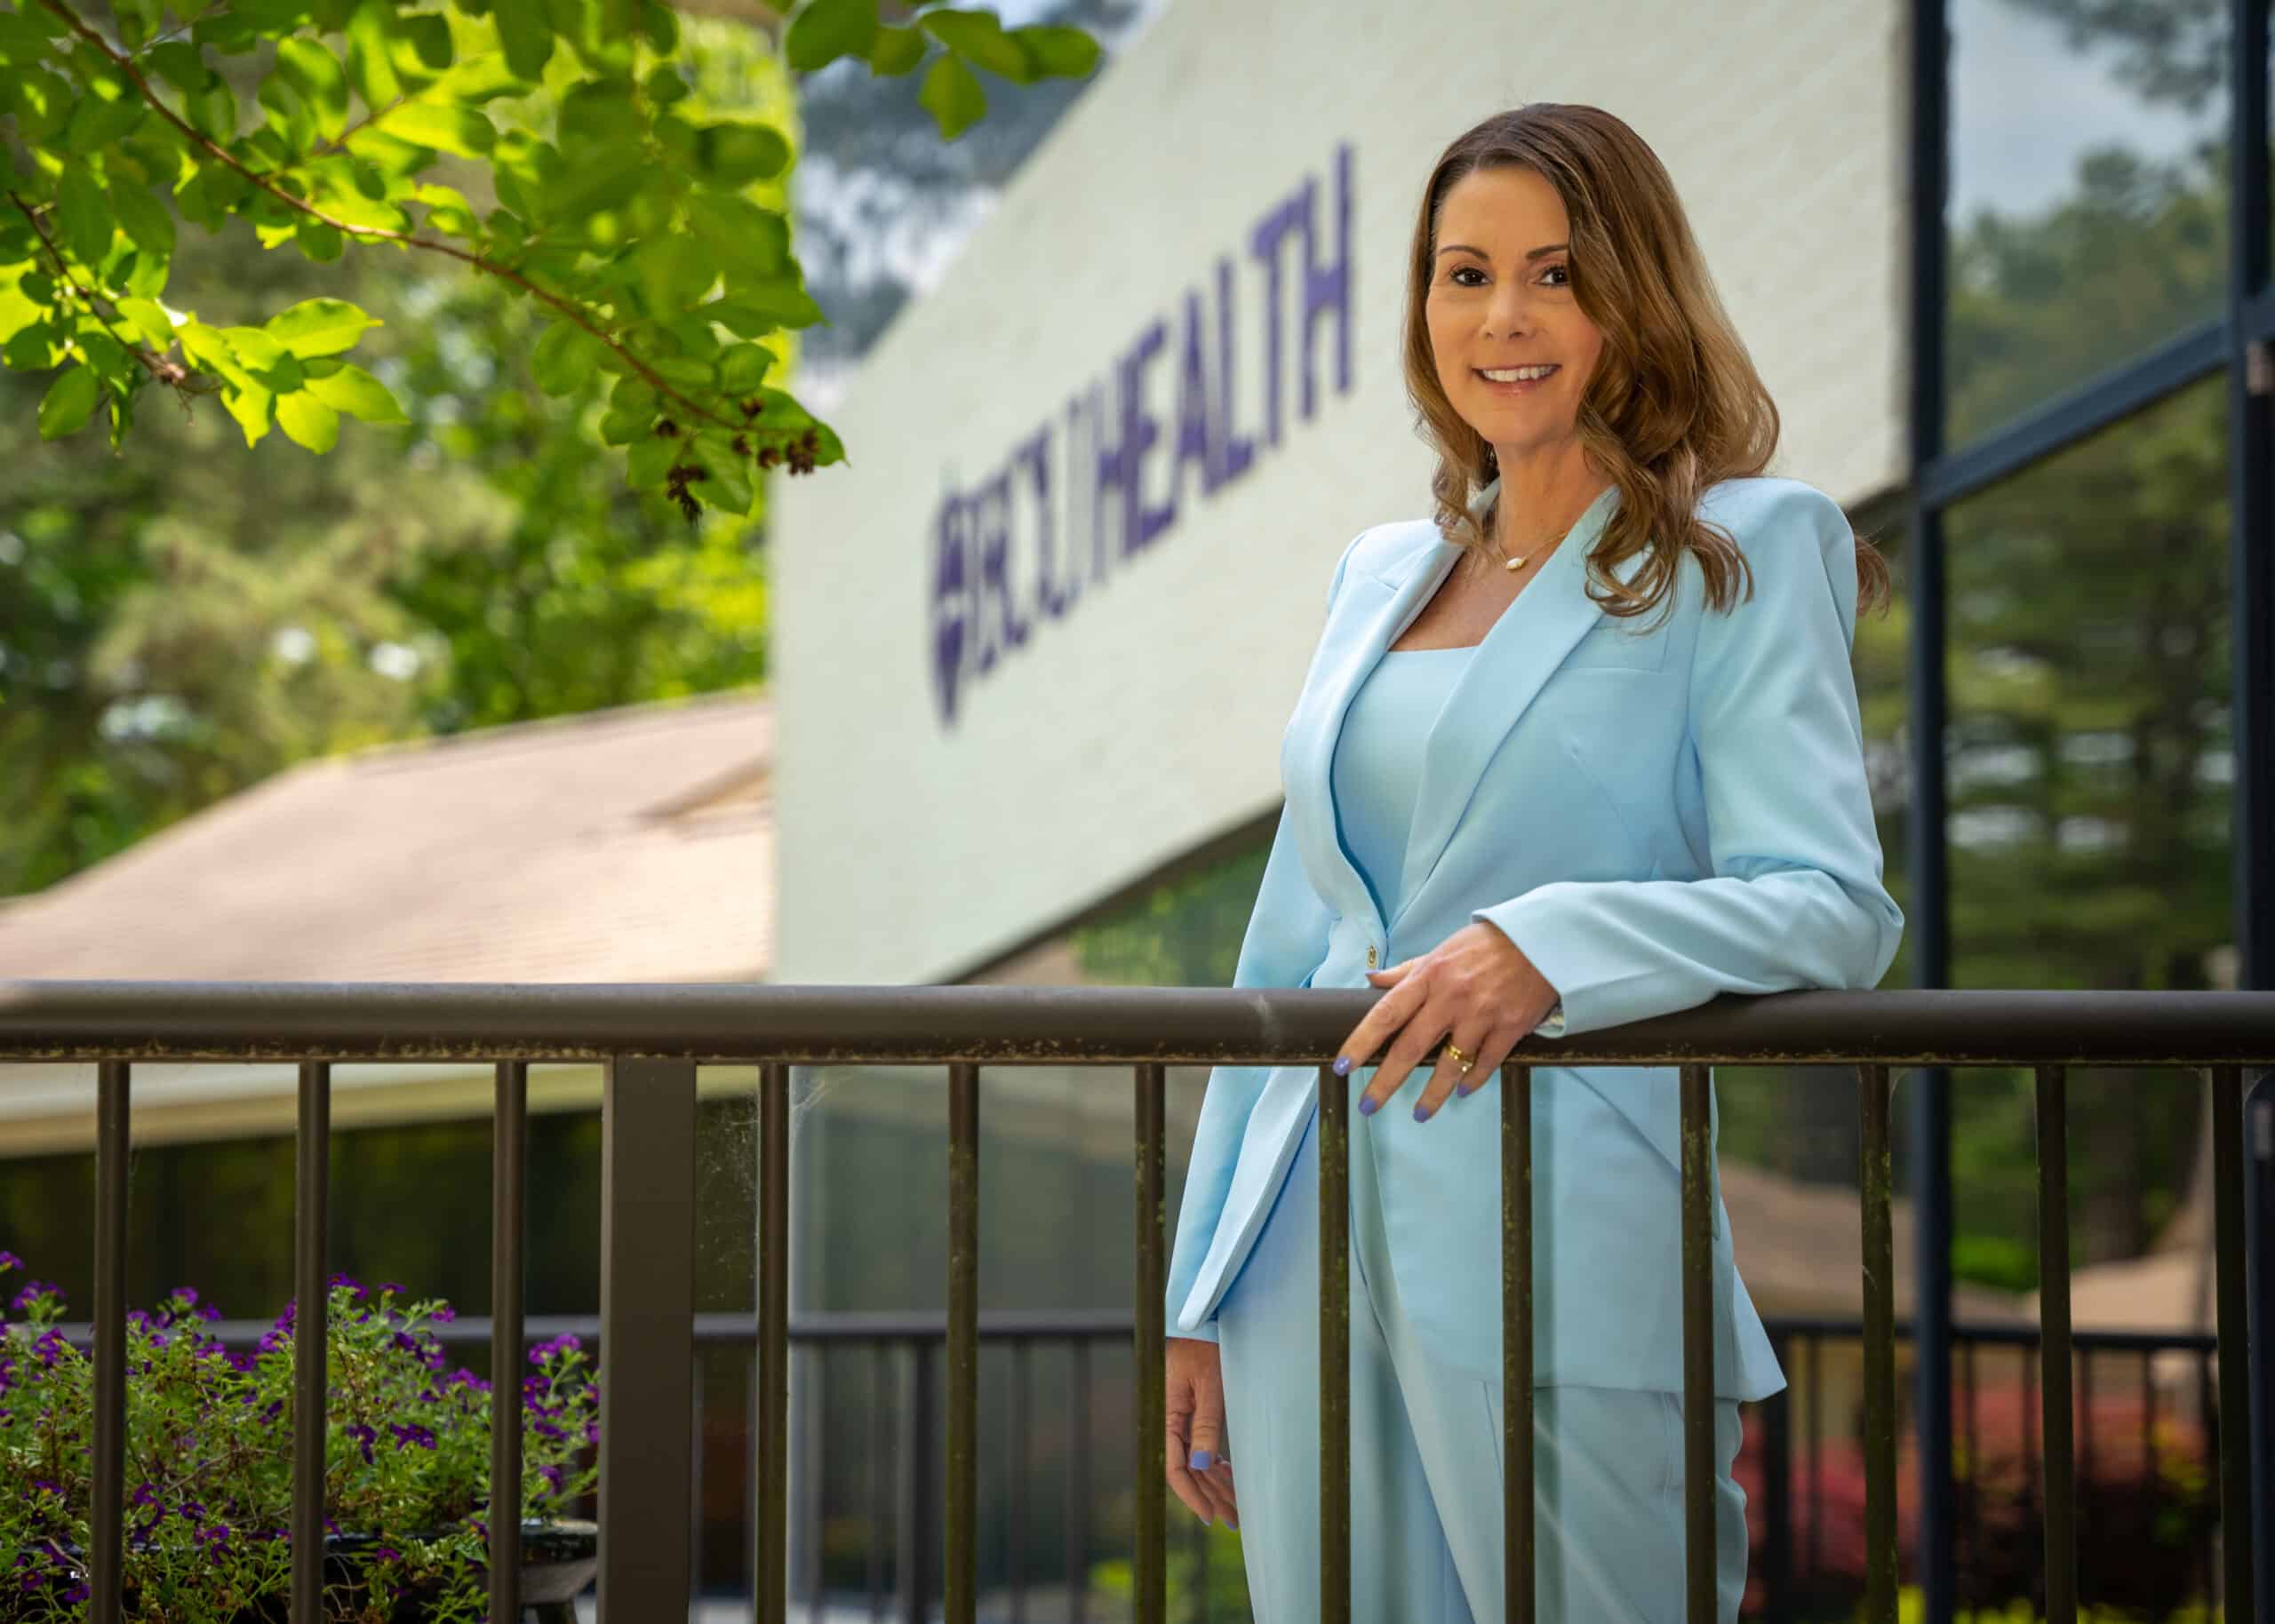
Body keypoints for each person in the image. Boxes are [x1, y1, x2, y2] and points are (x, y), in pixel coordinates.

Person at [1160, 103, 1904, 1623]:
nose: (1502, 317)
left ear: (1634, 295)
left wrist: (1552, 944)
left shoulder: (1746, 549)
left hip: (1562, 1239)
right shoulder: (1380, 572)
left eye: (1555, 273)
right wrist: (1202, 1285)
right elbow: (1288, 945)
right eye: (1463, 273)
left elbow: (1832, 905)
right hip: (1302, 1243)